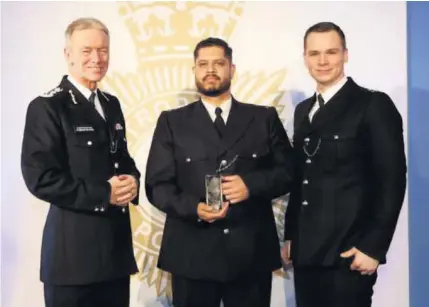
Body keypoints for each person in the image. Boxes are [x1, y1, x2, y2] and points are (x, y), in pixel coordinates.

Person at [145, 37, 295, 307]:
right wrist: (195, 208)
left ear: (232, 69)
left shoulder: (264, 118)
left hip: (250, 254)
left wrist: (251, 185)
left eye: (218, 63)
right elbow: (157, 186)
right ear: (194, 71)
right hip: (191, 255)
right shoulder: (171, 121)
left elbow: (288, 172)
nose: (210, 70)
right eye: (203, 64)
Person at [281, 22, 407, 307]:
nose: (322, 61)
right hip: (306, 252)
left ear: (345, 55)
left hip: (348, 252)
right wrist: (291, 236)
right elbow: (301, 180)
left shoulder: (373, 104)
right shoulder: (303, 111)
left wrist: (373, 247)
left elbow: (392, 180)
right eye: (314, 54)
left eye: (331, 52)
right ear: (305, 58)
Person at [21, 17, 140, 307]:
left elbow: (120, 158)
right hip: (72, 260)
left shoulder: (111, 104)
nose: (97, 59)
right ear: (68, 55)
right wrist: (104, 193)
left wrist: (132, 179)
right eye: (87, 51)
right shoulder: (48, 106)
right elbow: (40, 178)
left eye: (103, 50)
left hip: (115, 256)